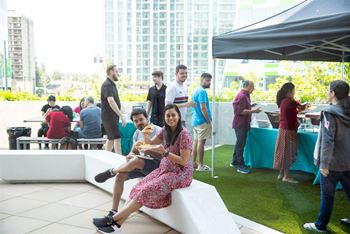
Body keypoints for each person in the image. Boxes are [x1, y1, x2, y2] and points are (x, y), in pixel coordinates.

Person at [94, 104, 193, 233]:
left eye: (173, 115)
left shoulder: (184, 134)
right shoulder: (165, 130)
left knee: (145, 191)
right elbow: (151, 144)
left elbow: (184, 162)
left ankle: (113, 220)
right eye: (168, 115)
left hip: (179, 174)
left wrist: (165, 153)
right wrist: (146, 135)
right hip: (164, 170)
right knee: (138, 187)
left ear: (179, 116)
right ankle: (116, 225)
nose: (170, 118)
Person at [92, 108, 162, 227]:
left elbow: (162, 155)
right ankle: (113, 211)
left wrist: (146, 150)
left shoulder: (158, 131)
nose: (139, 122)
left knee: (136, 161)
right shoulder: (136, 133)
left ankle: (112, 171)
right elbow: (133, 152)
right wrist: (130, 155)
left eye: (141, 119)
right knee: (120, 176)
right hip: (142, 164)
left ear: (147, 118)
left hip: (157, 165)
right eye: (136, 121)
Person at [304, 80, 350, 232]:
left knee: (327, 195)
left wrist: (324, 164)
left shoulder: (329, 112)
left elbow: (328, 140)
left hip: (333, 163)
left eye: (328, 90)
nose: (327, 92)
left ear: (333, 93)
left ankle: (320, 225)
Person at [273, 82, 310, 183]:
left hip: (283, 129)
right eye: (293, 91)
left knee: (282, 151)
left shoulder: (284, 101)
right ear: (289, 91)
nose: (294, 92)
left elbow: (295, 110)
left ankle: (281, 174)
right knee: (288, 152)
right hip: (288, 130)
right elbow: (301, 107)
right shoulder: (290, 101)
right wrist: (306, 105)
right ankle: (286, 177)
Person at [230, 80, 261, 174]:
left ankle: (235, 161)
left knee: (239, 143)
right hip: (240, 124)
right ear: (247, 86)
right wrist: (253, 111)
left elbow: (244, 107)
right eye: (252, 87)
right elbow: (240, 111)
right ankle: (240, 165)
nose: (253, 89)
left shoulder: (246, 95)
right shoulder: (241, 96)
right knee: (240, 144)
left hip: (243, 124)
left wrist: (252, 105)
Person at [101, 65, 127, 154]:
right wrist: (121, 115)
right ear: (111, 72)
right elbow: (111, 101)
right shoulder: (107, 85)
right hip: (109, 116)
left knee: (111, 138)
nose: (118, 74)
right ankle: (119, 161)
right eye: (116, 71)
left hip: (110, 116)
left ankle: (106, 157)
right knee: (117, 138)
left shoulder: (110, 84)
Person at [192, 73, 212, 171]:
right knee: (201, 143)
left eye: (209, 80)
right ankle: (200, 165)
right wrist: (208, 121)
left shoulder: (196, 90)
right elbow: (203, 107)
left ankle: (193, 163)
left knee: (196, 142)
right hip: (202, 121)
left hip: (195, 121)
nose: (209, 82)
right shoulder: (202, 91)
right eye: (207, 80)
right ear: (201, 79)